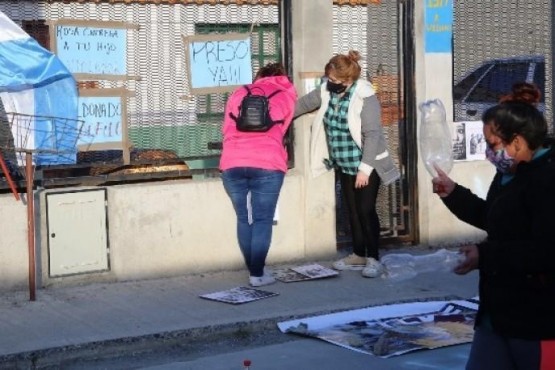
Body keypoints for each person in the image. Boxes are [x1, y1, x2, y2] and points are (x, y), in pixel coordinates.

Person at [432, 82, 555, 370]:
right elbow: (495, 219)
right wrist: (454, 193)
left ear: (518, 141)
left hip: (538, 321)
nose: (488, 153)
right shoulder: (508, 173)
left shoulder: (547, 180)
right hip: (497, 314)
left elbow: (546, 251)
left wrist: (484, 256)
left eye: (492, 144)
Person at [294, 50, 400, 278]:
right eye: (329, 78)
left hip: (366, 164)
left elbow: (373, 134)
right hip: (343, 162)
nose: (329, 83)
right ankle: (358, 254)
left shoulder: (365, 96)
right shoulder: (326, 91)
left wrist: (364, 169)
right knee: (351, 211)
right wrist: (277, 116)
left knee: (365, 210)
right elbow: (304, 104)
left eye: (334, 80)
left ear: (348, 80)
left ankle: (373, 258)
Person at [220, 62, 297, 287]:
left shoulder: (239, 93)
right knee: (262, 219)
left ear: (258, 76)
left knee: (245, 218)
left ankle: (253, 270)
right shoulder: (285, 94)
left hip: (233, 161)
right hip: (268, 163)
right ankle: (257, 274)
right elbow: (283, 128)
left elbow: (226, 127)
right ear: (282, 77)